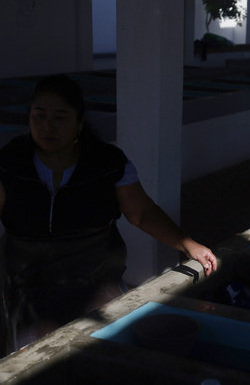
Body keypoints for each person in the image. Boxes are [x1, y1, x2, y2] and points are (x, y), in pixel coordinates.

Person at [0, 74, 217, 354]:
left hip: (93, 273)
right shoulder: (9, 162)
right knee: (35, 354)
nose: (47, 127)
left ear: (79, 122)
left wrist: (188, 244)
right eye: (38, 116)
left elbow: (141, 212)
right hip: (27, 279)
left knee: (102, 347)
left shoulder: (107, 162)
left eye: (59, 117)